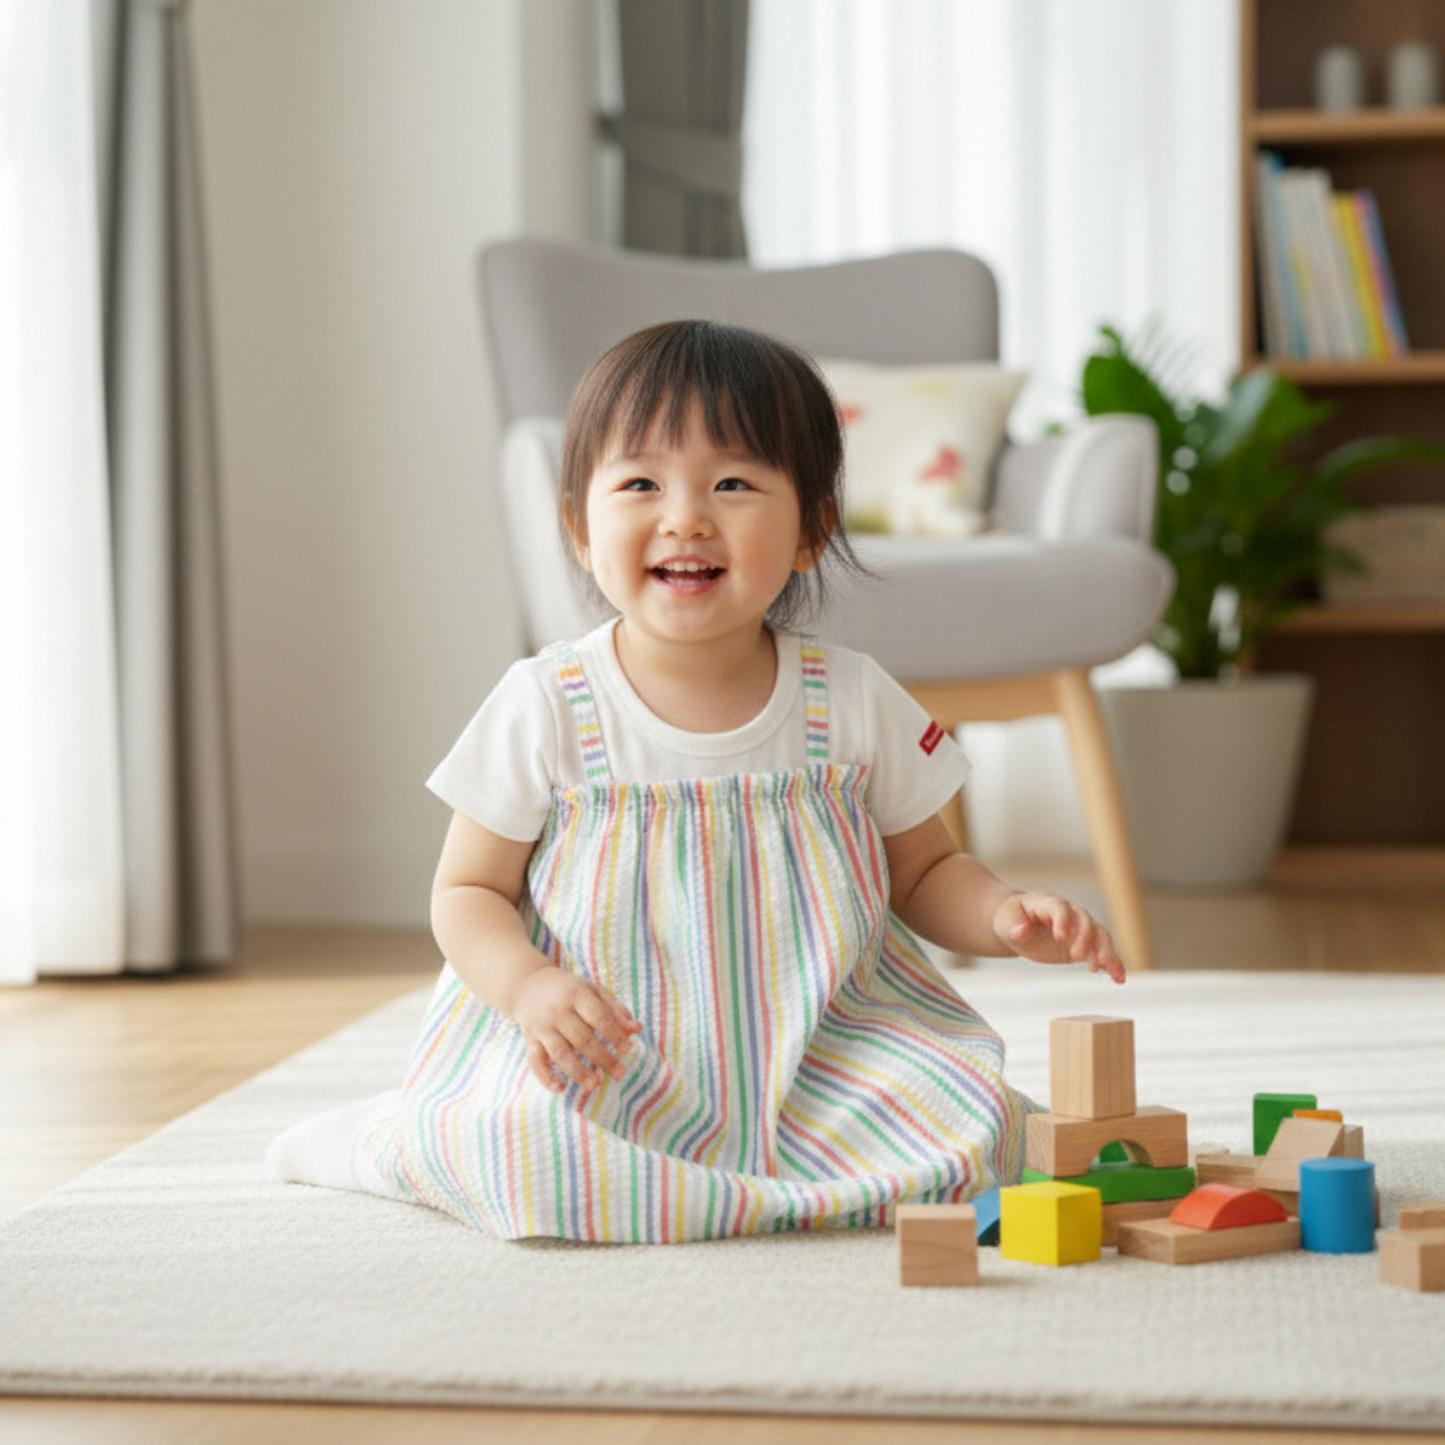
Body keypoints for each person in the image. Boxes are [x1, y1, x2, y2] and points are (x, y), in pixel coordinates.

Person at [267, 319, 1125, 1243]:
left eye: (732, 483)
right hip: (610, 1055)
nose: (684, 516)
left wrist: (1001, 913)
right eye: (639, 483)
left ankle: (746, 1182)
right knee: (527, 1155)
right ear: (579, 531)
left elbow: (922, 874)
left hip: (822, 1053)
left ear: (809, 530)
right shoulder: (548, 702)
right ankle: (381, 1138)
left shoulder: (850, 696)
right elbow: (467, 890)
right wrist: (526, 990)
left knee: (983, 1128)